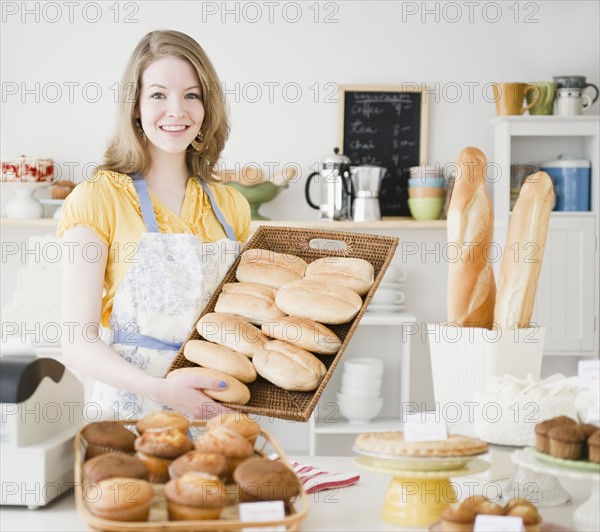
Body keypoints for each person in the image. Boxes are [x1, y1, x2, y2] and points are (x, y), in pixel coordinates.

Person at [59, 30, 251, 420]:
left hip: (220, 417)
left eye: (191, 95)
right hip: (132, 419)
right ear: (135, 107)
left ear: (207, 106)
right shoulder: (97, 199)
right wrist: (161, 390)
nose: (176, 111)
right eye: (159, 95)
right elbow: (77, 341)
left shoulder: (232, 206)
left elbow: (245, 323)